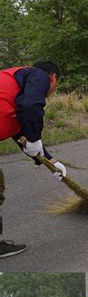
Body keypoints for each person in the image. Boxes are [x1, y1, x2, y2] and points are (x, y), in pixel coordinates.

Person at [0, 61, 66, 258]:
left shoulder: (12, 91)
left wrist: (49, 160)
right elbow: (30, 107)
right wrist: (35, 138)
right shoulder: (38, 75)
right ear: (53, 78)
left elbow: (21, 132)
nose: (51, 90)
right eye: (54, 85)